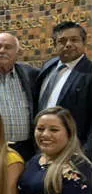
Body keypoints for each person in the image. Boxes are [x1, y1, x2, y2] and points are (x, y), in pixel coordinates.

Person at [0, 33, 39, 160]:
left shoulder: (31, 74)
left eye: (8, 47)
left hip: (26, 149)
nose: (2, 51)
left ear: (17, 53)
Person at [34, 21, 92, 149]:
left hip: (73, 148)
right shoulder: (48, 67)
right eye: (62, 41)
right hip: (42, 144)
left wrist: (86, 155)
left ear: (84, 43)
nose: (68, 45)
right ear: (55, 45)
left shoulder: (89, 73)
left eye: (74, 40)